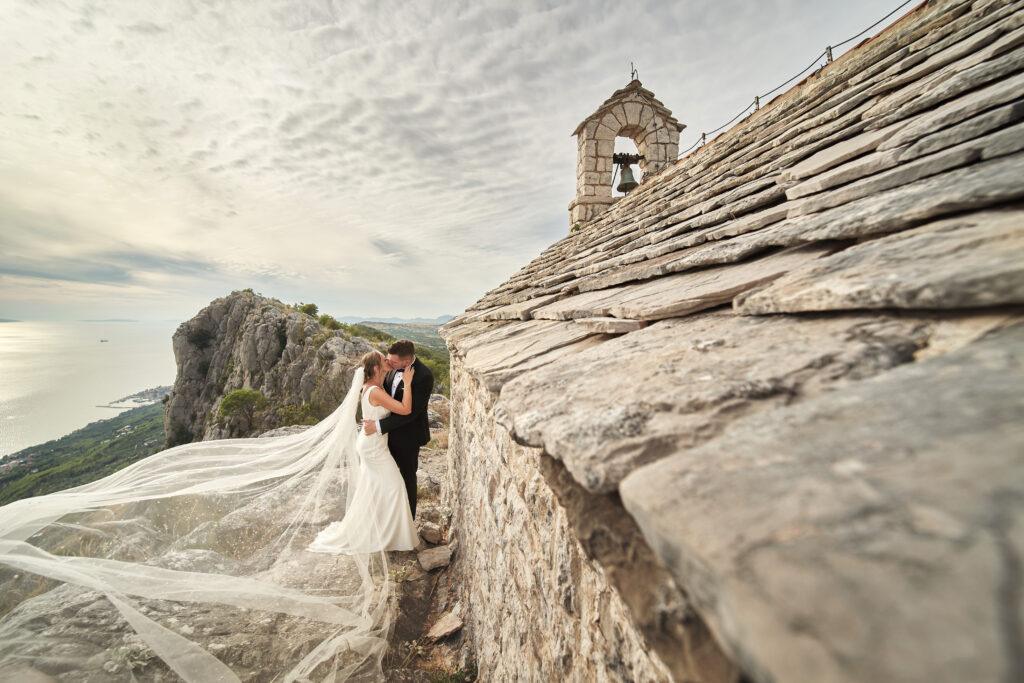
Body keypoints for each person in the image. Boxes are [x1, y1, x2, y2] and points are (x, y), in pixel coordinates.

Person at [307, 350, 418, 553]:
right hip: (374, 448)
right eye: (383, 360)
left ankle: (379, 531)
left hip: (370, 442)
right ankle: (390, 537)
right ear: (376, 367)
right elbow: (405, 409)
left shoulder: (371, 387)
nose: (387, 361)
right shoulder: (375, 391)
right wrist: (408, 383)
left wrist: (376, 423)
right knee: (395, 486)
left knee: (373, 488)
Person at [362, 340, 433, 518]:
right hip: (384, 438)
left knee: (407, 478)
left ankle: (408, 522)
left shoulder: (424, 376)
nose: (389, 364)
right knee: (387, 481)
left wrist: (378, 426)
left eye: (393, 362)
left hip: (408, 437)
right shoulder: (390, 369)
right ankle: (387, 519)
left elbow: (411, 413)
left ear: (406, 362)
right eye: (387, 360)